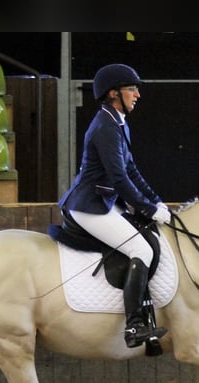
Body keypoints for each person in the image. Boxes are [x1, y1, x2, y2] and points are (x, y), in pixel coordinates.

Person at [58, 63, 171, 349]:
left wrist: (155, 201)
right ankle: (134, 326)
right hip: (88, 206)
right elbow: (119, 179)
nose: (137, 94)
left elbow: (132, 171)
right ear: (113, 93)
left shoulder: (117, 121)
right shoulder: (105, 127)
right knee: (140, 249)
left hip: (103, 201)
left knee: (148, 238)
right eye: (132, 89)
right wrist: (146, 208)